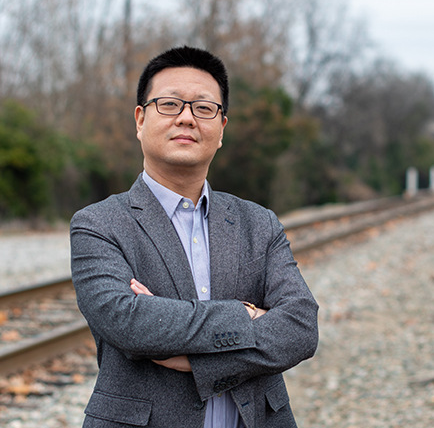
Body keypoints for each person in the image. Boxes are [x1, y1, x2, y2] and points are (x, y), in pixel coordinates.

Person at [70, 45, 319, 428]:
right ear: (140, 120)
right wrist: (246, 314)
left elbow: (300, 327)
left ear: (221, 130)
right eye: (169, 104)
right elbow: (130, 323)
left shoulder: (259, 222)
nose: (186, 118)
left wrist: (197, 359)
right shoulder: (98, 224)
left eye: (204, 108)